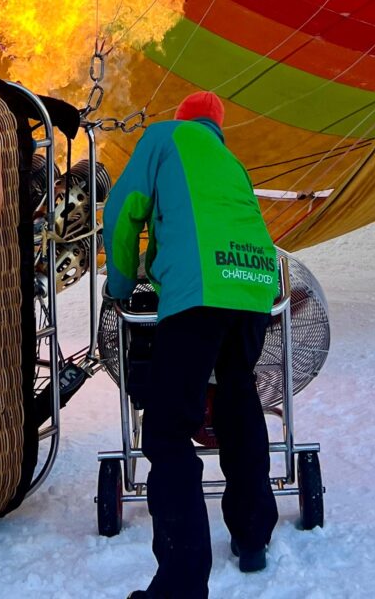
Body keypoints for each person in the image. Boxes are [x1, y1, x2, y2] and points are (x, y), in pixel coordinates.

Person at [104, 90, 279, 599]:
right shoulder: (231, 162)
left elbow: (123, 211)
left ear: (182, 118)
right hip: (252, 288)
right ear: (219, 129)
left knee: (168, 432)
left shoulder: (164, 137)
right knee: (236, 400)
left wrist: (119, 286)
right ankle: (252, 536)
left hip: (199, 291)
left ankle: (179, 586)